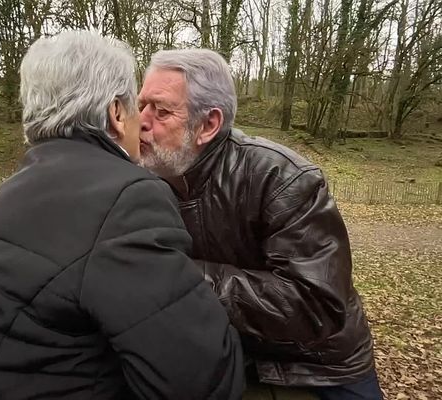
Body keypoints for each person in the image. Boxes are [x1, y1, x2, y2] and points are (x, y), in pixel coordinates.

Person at [0, 32, 246, 400]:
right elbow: (202, 381)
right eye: (136, 107)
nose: (145, 122)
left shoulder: (14, 189)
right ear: (116, 114)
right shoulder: (127, 197)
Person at [137, 48, 382, 400]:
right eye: (141, 104)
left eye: (161, 110)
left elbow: (315, 305)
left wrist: (183, 277)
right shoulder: (145, 179)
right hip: (227, 359)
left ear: (208, 125)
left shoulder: (281, 177)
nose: (141, 120)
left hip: (317, 367)